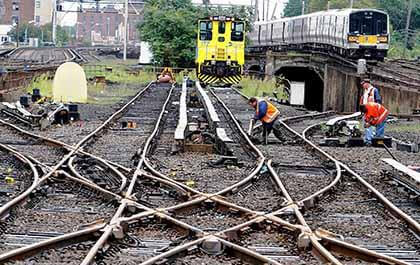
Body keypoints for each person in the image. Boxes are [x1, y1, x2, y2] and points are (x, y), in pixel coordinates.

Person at [359, 79, 382, 144]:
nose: (363, 86)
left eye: (363, 84)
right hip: (366, 110)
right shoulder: (365, 91)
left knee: (369, 125)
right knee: (366, 125)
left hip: (372, 110)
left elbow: (378, 100)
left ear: (367, 83)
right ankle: (367, 139)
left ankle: (369, 140)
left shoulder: (374, 90)